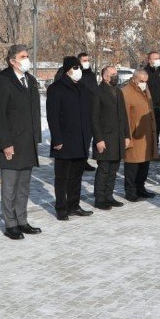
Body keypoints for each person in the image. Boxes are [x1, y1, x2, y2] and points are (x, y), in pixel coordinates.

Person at [0, 45, 43, 240]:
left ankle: (22, 220)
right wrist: (5, 143)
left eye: (28, 56)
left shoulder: (30, 80)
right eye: (23, 56)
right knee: (10, 187)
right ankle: (10, 223)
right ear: (13, 61)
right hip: (11, 143)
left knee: (24, 186)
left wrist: (36, 138)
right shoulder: (3, 81)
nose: (27, 59)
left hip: (27, 143)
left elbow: (35, 113)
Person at [47, 56, 94, 220]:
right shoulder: (56, 88)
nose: (79, 70)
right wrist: (57, 140)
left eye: (80, 67)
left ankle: (74, 205)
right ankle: (61, 208)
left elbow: (88, 114)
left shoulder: (83, 88)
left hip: (81, 140)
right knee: (62, 177)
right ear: (67, 70)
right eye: (75, 68)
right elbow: (52, 117)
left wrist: (88, 135)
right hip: (64, 141)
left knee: (76, 176)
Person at [90, 65, 129, 209]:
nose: (115, 76)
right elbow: (94, 118)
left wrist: (126, 135)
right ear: (104, 76)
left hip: (118, 138)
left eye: (116, 73)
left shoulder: (119, 92)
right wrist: (99, 139)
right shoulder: (97, 92)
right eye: (112, 74)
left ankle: (109, 196)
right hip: (105, 138)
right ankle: (99, 199)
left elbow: (123, 115)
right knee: (104, 169)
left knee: (114, 169)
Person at [121, 69, 157, 201]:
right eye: (141, 81)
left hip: (146, 134)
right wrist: (126, 136)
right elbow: (124, 117)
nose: (144, 83)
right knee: (132, 165)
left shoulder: (145, 90)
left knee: (144, 164)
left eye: (146, 81)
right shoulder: (126, 92)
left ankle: (140, 188)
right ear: (134, 79)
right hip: (133, 134)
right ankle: (130, 191)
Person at [142, 51, 160, 161]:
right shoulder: (145, 72)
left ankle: (155, 152)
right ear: (149, 60)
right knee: (149, 130)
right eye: (155, 58)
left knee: (157, 130)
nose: (157, 60)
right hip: (149, 105)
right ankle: (147, 152)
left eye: (158, 58)